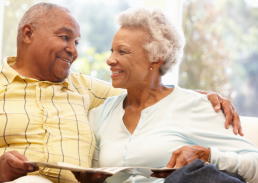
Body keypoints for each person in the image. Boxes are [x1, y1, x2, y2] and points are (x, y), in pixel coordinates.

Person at [0, 3, 243, 183]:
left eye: (77, 42)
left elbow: (147, 90)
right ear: (27, 34)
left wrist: (201, 96)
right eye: (65, 37)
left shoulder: (85, 88)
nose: (73, 50)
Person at [73, 7, 258, 183]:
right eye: (112, 50)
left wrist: (208, 155)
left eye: (122, 51)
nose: (110, 60)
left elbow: (254, 162)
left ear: (156, 57)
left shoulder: (194, 106)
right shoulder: (101, 113)